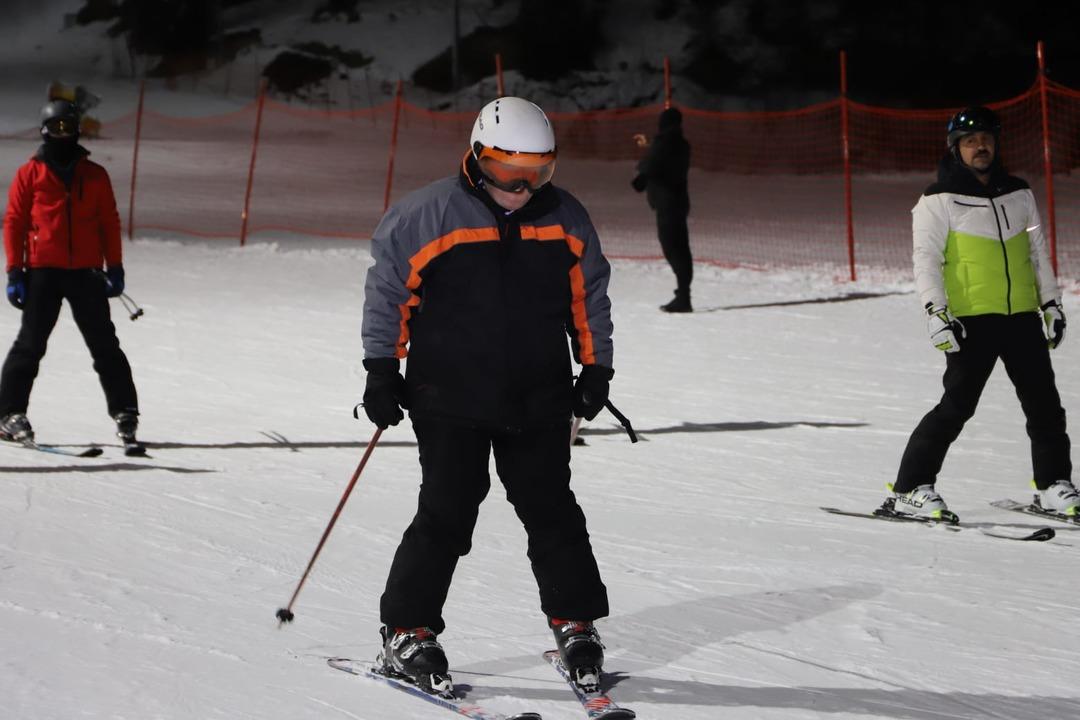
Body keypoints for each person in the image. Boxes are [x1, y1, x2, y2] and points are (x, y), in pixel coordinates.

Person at [360, 96, 615, 696]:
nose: (522, 187)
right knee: (447, 512)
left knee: (552, 511)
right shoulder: (425, 215)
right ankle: (408, 630)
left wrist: (596, 369)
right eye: (509, 172)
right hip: (448, 394)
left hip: (538, 395)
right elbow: (388, 295)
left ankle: (575, 623)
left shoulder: (566, 219)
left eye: (538, 173)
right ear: (477, 158)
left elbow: (590, 297)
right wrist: (380, 369)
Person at [884, 105, 1078, 521]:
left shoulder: (1020, 193)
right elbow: (926, 260)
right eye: (970, 141)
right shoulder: (937, 200)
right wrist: (936, 312)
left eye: (986, 139)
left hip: (1022, 317)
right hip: (970, 320)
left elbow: (1036, 252)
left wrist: (1051, 302)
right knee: (957, 406)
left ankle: (1053, 485)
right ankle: (909, 489)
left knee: (1045, 406)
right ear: (955, 149)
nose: (980, 147)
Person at [0, 99, 140, 447]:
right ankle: (8, 413)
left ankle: (125, 410)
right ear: (45, 131)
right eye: (55, 128)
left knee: (104, 345)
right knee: (30, 345)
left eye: (68, 127)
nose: (62, 134)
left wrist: (116, 266)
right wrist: (14, 270)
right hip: (43, 271)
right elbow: (14, 222)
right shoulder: (30, 173)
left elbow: (109, 221)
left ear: (77, 130)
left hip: (85, 273)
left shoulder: (94, 174)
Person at [632, 106, 692, 312]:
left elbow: (654, 163)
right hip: (675, 203)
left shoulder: (667, 143)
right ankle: (684, 293)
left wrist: (642, 176)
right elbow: (657, 158)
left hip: (668, 204)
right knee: (680, 248)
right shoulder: (678, 143)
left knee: (673, 249)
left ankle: (683, 296)